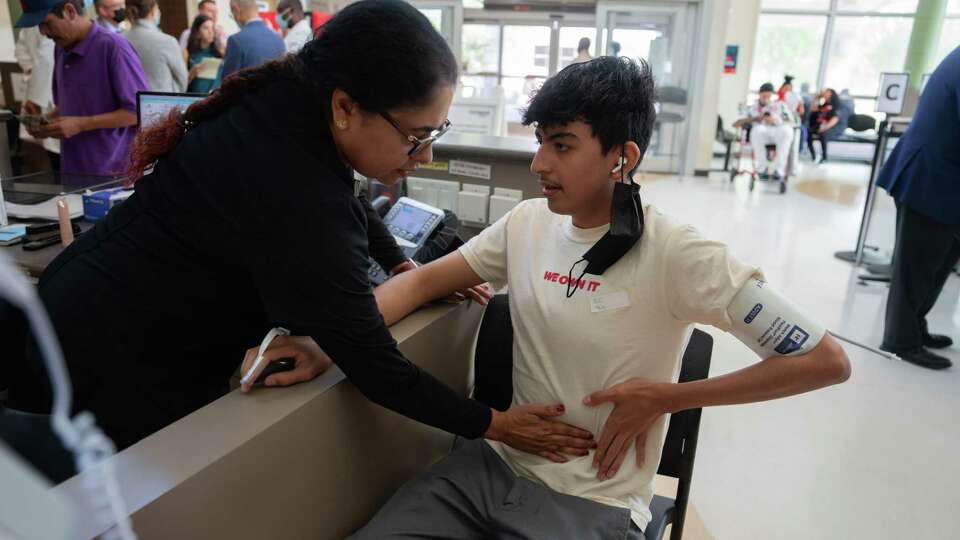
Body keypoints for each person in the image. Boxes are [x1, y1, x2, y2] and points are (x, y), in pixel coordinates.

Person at [5, 0, 586, 464]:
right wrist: (496, 424)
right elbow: (377, 367)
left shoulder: (289, 100)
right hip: (106, 348)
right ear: (345, 108)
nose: (425, 156)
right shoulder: (295, 190)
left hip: (78, 299)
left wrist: (405, 266)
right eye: (416, 136)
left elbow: (348, 194)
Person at [345, 57, 850, 539]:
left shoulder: (677, 250)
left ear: (622, 157)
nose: (538, 162)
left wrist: (666, 399)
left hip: (593, 499)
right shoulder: (526, 224)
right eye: (540, 142)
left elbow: (825, 361)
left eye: (562, 146)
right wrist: (328, 342)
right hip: (490, 466)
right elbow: (415, 282)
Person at [877, 47, 960, 370]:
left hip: (943, 181)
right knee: (916, 268)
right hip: (930, 178)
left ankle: (915, 327)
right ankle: (900, 340)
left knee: (937, 266)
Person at [16, 0, 148, 177]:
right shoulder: (61, 49)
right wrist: (46, 121)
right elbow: (69, 105)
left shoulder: (114, 48)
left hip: (112, 174)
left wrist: (81, 124)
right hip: (73, 170)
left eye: (47, 23)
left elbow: (137, 112)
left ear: (70, 11)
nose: (43, 32)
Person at [13, 25, 60, 169]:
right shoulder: (45, 29)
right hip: (44, 93)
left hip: (46, 92)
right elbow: (25, 54)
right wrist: (32, 71)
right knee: (56, 153)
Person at [124, 0, 188, 93]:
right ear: (153, 11)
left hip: (131, 102)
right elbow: (182, 79)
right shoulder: (167, 41)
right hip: (162, 103)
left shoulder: (121, 39)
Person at [734, 82, 793, 180]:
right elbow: (736, 124)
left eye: (769, 95)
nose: (766, 98)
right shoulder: (752, 108)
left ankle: (779, 170)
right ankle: (762, 168)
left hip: (778, 131)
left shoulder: (780, 105)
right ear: (760, 94)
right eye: (764, 95)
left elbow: (791, 121)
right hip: (761, 132)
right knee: (757, 130)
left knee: (787, 130)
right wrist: (756, 118)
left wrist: (776, 120)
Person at [219, 0, 285, 80]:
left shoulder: (236, 40)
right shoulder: (278, 39)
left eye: (232, 14)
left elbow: (227, 82)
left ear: (236, 10)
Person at [184, 14, 222, 94]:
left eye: (212, 28)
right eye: (206, 28)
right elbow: (181, 84)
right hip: (196, 100)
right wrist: (191, 74)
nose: (210, 32)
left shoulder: (220, 52)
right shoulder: (186, 53)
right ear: (197, 32)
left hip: (216, 99)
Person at [807, 88, 846, 163]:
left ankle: (824, 157)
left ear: (831, 94)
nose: (824, 93)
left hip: (833, 127)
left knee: (823, 134)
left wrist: (824, 128)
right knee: (808, 132)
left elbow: (835, 119)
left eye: (827, 92)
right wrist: (817, 98)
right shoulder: (825, 104)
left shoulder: (837, 105)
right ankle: (813, 156)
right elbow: (813, 108)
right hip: (821, 125)